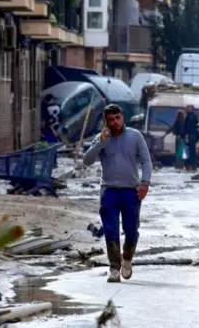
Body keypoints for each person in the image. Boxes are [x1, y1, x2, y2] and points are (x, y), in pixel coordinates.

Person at [83, 104, 152, 283]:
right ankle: (114, 267)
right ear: (106, 121)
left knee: (130, 230)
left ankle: (127, 259)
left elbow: (146, 160)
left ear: (123, 118)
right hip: (109, 191)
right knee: (111, 230)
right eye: (110, 120)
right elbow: (87, 161)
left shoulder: (135, 136)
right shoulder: (101, 138)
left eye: (117, 118)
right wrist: (100, 143)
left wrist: (145, 182)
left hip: (131, 191)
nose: (114, 122)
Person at [183, 105, 199, 172]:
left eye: (188, 108)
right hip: (191, 136)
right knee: (190, 151)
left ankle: (192, 165)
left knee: (191, 152)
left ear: (191, 109)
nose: (186, 109)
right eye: (186, 108)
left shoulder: (191, 116)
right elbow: (198, 124)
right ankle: (191, 165)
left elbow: (189, 127)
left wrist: (188, 134)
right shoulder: (191, 116)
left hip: (191, 136)